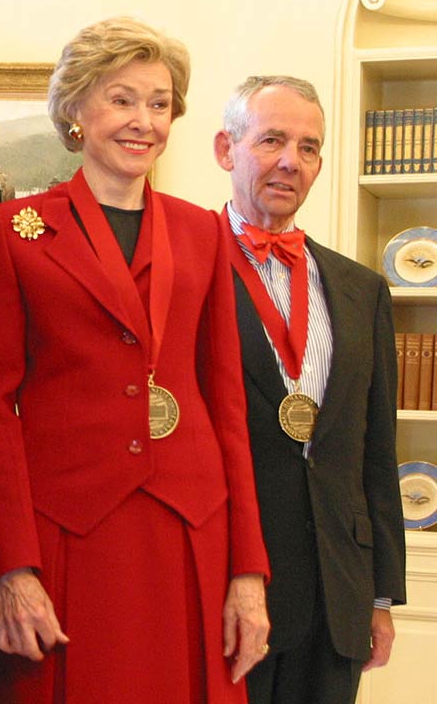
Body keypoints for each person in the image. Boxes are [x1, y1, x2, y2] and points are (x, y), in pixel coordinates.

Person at [0, 17, 270, 702]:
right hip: (66, 538)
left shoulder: (202, 232)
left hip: (192, 532)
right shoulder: (11, 232)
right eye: (122, 99)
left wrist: (248, 571)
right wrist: (13, 566)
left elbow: (228, 406)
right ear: (76, 109)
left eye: (159, 103)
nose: (144, 121)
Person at [213, 76, 405, 704]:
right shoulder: (184, 269)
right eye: (271, 140)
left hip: (337, 596)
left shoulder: (362, 288)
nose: (291, 161)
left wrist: (379, 595)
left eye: (309, 147)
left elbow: (375, 449)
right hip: (227, 587)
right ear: (226, 149)